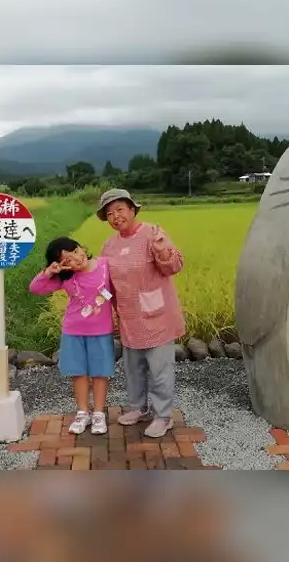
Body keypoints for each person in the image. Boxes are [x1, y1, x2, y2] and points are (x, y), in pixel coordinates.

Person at [96, 188, 185, 438]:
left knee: (160, 370)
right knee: (133, 368)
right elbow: (105, 284)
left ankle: (163, 416)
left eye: (120, 209)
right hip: (128, 317)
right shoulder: (109, 245)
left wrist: (162, 249)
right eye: (110, 213)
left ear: (133, 209)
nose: (116, 216)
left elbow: (174, 267)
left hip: (157, 317)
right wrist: (101, 307)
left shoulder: (151, 234)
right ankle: (138, 408)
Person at [29, 237, 115, 435]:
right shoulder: (65, 278)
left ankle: (99, 413)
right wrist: (49, 272)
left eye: (75, 251)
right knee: (79, 373)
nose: (76, 258)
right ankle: (83, 412)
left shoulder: (104, 265)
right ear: (62, 265)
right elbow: (35, 288)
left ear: (81, 247)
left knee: (101, 373)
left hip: (101, 330)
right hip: (73, 330)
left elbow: (120, 291)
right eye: (67, 260)